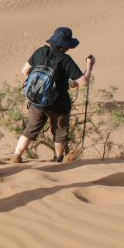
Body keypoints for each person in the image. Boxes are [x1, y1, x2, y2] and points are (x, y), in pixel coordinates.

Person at [9, 27, 94, 164]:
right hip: (59, 104)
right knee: (59, 134)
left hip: (37, 100)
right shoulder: (65, 60)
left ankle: (16, 156)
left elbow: (24, 71)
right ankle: (58, 161)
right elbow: (83, 82)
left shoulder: (40, 52)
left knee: (30, 130)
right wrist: (89, 66)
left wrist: (39, 86)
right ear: (67, 46)